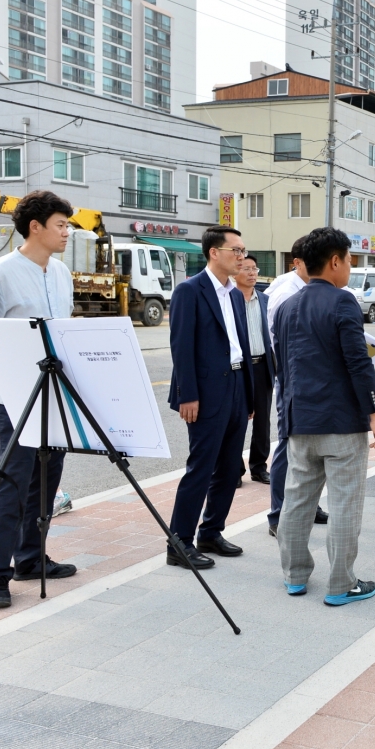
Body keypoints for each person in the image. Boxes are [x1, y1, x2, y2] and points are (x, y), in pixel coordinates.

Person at [0, 190, 79, 609]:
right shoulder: (1, 272)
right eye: (61, 224)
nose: (67, 232)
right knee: (12, 482)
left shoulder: (62, 273)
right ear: (36, 227)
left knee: (47, 480)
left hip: (55, 391)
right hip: (16, 392)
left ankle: (31, 558)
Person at [275, 227, 375, 605]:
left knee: (296, 501)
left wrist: (285, 420)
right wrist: (374, 413)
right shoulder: (343, 302)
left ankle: (294, 577)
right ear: (335, 261)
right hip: (340, 423)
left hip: (299, 421)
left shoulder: (286, 306)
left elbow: (283, 369)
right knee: (344, 505)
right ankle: (340, 584)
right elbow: (358, 362)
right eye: (349, 260)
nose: (350, 268)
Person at [165, 225, 254, 570]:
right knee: (201, 468)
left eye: (243, 250)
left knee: (231, 467)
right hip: (204, 392)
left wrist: (248, 395)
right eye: (236, 250)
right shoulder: (190, 291)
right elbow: (181, 347)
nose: (242, 257)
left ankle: (211, 531)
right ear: (214, 252)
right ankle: (179, 541)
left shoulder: (234, 293)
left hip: (235, 386)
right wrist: (188, 395)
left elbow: (241, 346)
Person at [263, 237, 329, 537]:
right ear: (297, 262)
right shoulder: (284, 291)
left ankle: (309, 504)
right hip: (291, 378)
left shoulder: (312, 288)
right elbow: (278, 341)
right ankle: (277, 514)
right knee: (288, 444)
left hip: (314, 378)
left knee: (313, 444)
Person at [236, 258, 274, 486]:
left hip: (262, 366)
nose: (252, 273)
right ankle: (235, 469)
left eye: (254, 269)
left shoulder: (266, 300)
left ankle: (259, 468)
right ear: (235, 272)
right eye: (246, 269)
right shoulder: (230, 300)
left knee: (263, 422)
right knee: (238, 420)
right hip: (240, 368)